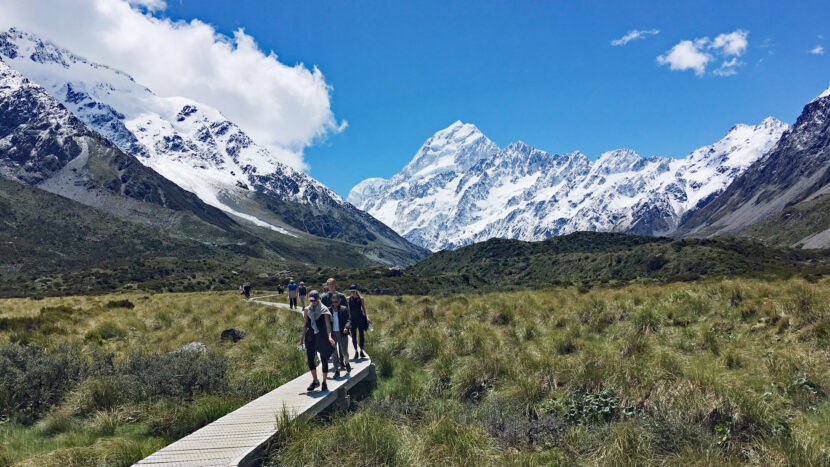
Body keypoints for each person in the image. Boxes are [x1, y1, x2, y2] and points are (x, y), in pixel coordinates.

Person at [299, 290, 335, 392]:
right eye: (311, 300)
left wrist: (329, 336)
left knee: (324, 359)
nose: (313, 302)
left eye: (314, 300)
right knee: (310, 359)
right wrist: (301, 339)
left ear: (318, 298)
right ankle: (315, 380)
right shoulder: (307, 310)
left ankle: (324, 382)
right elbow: (305, 324)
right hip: (310, 336)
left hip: (322, 336)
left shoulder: (324, 310)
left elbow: (328, 325)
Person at [329, 293, 352, 377]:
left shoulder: (344, 309)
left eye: (336, 302)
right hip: (333, 334)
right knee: (333, 353)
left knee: (344, 352)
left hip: (342, 333)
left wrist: (346, 327)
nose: (334, 303)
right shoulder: (329, 310)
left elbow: (349, 319)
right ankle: (336, 370)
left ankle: (346, 362)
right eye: (333, 302)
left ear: (339, 301)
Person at [347, 284, 371, 359]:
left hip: (360, 318)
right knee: (353, 336)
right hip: (352, 319)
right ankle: (356, 351)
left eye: (354, 291)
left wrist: (367, 317)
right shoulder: (348, 299)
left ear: (356, 290)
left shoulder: (361, 299)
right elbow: (346, 309)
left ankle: (361, 351)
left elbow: (364, 309)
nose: (353, 292)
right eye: (352, 291)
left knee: (361, 335)